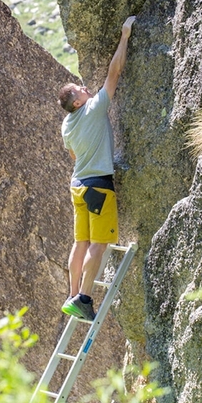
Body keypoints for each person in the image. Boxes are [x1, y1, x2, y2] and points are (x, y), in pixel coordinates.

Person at [58, 16, 136, 322]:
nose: (85, 87)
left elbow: (74, 155)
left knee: (81, 242)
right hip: (99, 186)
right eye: (80, 89)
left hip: (78, 185)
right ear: (77, 102)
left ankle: (72, 293)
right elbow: (114, 72)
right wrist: (125, 36)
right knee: (99, 244)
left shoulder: (67, 125)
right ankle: (84, 298)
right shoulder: (92, 108)